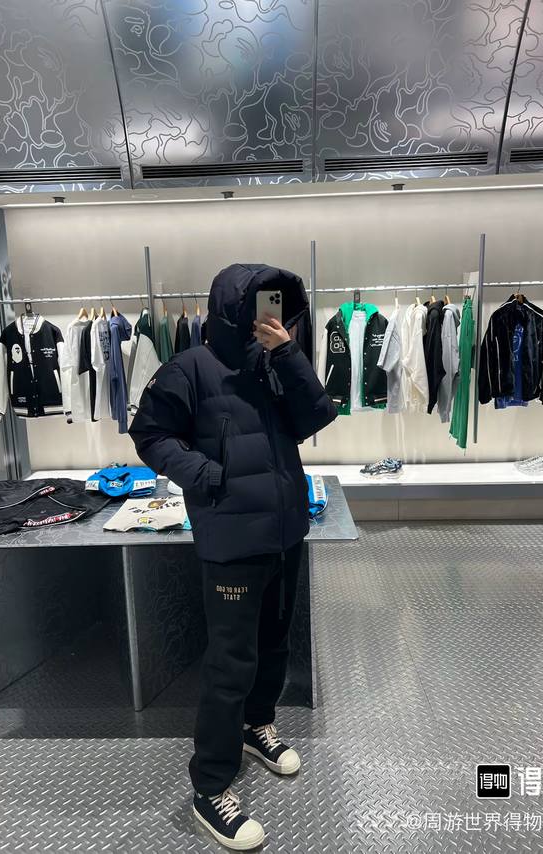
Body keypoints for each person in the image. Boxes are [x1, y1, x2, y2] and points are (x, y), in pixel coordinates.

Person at [129, 263, 337, 850]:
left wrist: (288, 355)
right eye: (257, 304)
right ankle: (210, 788)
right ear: (231, 310)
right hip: (232, 539)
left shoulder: (276, 362)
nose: (268, 313)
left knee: (275, 643)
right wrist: (206, 475)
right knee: (230, 664)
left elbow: (318, 417)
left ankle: (256, 726)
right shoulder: (190, 367)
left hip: (285, 530)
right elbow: (149, 434)